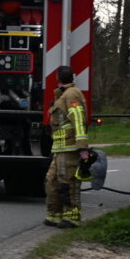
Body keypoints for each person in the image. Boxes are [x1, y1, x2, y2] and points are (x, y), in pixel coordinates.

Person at [43, 66, 89, 228]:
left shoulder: (71, 94)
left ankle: (72, 216)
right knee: (52, 181)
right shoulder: (63, 95)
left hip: (69, 149)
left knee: (68, 183)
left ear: (58, 78)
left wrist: (82, 148)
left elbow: (78, 119)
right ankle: (54, 215)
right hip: (59, 149)